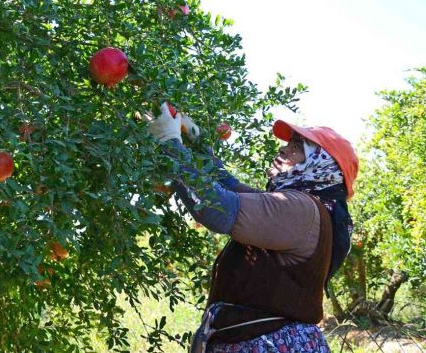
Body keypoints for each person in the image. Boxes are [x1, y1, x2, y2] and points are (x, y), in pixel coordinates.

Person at [143, 103, 358, 353]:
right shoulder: (303, 209)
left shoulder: (301, 210)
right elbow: (229, 186)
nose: (284, 148)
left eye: (297, 148)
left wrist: (170, 143)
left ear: (321, 167)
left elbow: (218, 210)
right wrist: (198, 142)